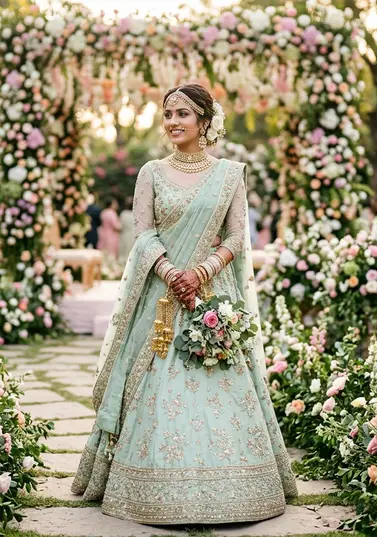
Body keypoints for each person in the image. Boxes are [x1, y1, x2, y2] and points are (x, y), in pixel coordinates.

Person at [72, 84, 297, 524]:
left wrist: (203, 271)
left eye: (183, 114)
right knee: (152, 382)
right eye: (168, 114)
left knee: (220, 380)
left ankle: (238, 486)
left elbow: (236, 236)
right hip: (160, 298)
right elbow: (143, 233)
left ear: (205, 122)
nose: (173, 122)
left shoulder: (230, 173)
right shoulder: (151, 172)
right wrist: (173, 273)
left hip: (213, 297)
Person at [118, 196, 135, 261]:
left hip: (125, 235)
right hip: (133, 236)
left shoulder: (123, 213)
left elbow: (120, 226)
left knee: (124, 253)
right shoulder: (136, 213)